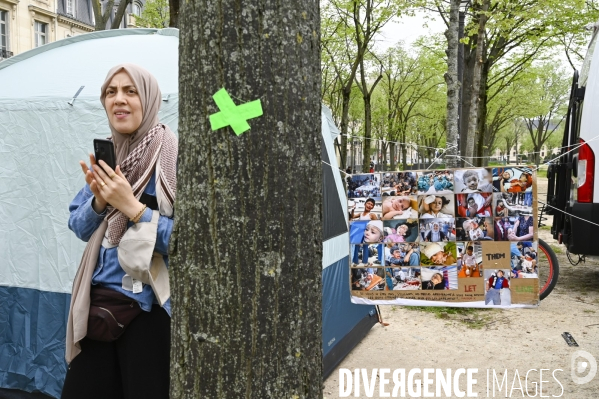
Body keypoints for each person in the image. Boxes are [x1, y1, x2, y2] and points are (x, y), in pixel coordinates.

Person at [62, 64, 177, 399]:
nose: (119, 100)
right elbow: (78, 226)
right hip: (99, 303)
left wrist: (132, 207)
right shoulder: (110, 158)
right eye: (111, 92)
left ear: (150, 99)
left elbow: (192, 244)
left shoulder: (172, 157)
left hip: (149, 311)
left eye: (130, 91)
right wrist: (99, 201)